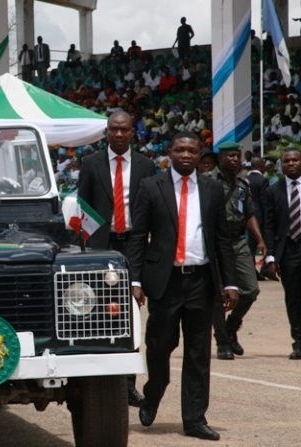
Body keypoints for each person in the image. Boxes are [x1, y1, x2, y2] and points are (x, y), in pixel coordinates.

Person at [127, 131, 237, 441]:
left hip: (201, 281)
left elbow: (221, 239)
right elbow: (138, 237)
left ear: (201, 154)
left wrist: (230, 282)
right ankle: (153, 393)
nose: (185, 155)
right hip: (165, 281)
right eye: (179, 150)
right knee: (160, 346)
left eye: (191, 150)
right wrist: (135, 280)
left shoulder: (213, 189)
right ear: (170, 153)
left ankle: (194, 419)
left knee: (198, 352)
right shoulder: (151, 187)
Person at [77, 110, 156, 407]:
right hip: (101, 246)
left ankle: (128, 385)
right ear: (106, 132)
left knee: (131, 314)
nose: (119, 134)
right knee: (96, 311)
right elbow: (83, 207)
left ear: (133, 132)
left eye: (124, 130)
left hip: (134, 246)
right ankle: (96, 381)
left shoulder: (147, 166)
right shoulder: (90, 164)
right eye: (114, 129)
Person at [208, 142, 266, 360]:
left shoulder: (243, 183)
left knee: (250, 290)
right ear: (220, 158)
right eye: (229, 155)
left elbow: (249, 213)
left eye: (236, 155)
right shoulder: (208, 182)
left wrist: (260, 240)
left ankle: (231, 327)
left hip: (238, 241)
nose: (233, 159)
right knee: (217, 294)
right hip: (214, 243)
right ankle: (222, 341)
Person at [263, 149, 301, 359]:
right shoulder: (273, 191)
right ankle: (298, 342)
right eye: (287, 161)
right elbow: (269, 225)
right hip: (288, 250)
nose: (291, 164)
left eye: (295, 160)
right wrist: (270, 256)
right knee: (293, 297)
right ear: (281, 165)